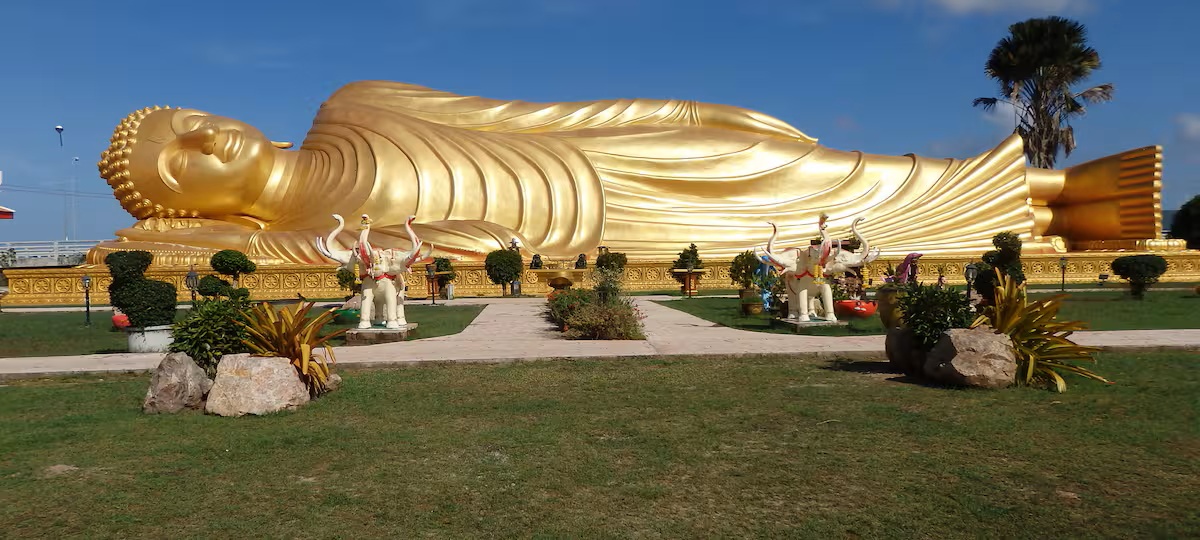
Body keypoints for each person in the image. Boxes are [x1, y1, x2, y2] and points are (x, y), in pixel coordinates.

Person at [90, 81, 1165, 266]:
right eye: (181, 163)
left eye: (188, 118)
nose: (205, 137)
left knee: (801, 164)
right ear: (190, 205)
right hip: (594, 230)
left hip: (602, 158)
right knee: (813, 219)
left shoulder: (353, 105)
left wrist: (683, 110)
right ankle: (1050, 211)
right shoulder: (287, 239)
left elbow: (534, 115)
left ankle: (1056, 193)